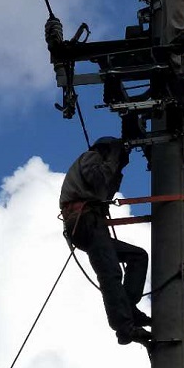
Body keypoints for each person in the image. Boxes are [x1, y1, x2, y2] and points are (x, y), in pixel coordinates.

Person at [59, 137, 151, 347]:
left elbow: (106, 190)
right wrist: (114, 157)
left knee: (138, 256)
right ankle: (124, 327)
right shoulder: (91, 157)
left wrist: (117, 168)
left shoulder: (99, 162)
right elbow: (99, 180)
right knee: (110, 273)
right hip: (85, 221)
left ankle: (127, 308)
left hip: (92, 222)